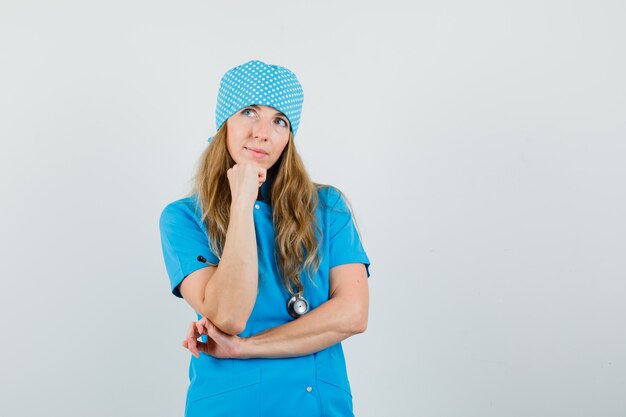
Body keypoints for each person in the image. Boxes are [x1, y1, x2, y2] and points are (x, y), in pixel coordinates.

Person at [159, 59, 371, 417]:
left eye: (279, 121)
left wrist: (245, 348)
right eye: (248, 112)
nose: (263, 132)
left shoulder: (327, 207)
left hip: (318, 404)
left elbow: (352, 314)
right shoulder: (183, 217)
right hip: (232, 404)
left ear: (289, 137)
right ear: (224, 121)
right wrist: (243, 201)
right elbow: (228, 317)